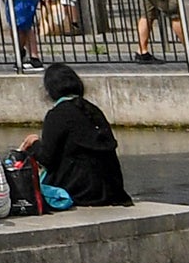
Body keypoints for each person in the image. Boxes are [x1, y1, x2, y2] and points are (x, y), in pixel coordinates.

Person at [20, 61, 130, 209]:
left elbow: (47, 158)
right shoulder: (93, 110)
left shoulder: (58, 114)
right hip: (110, 189)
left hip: (80, 190)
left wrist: (33, 144)